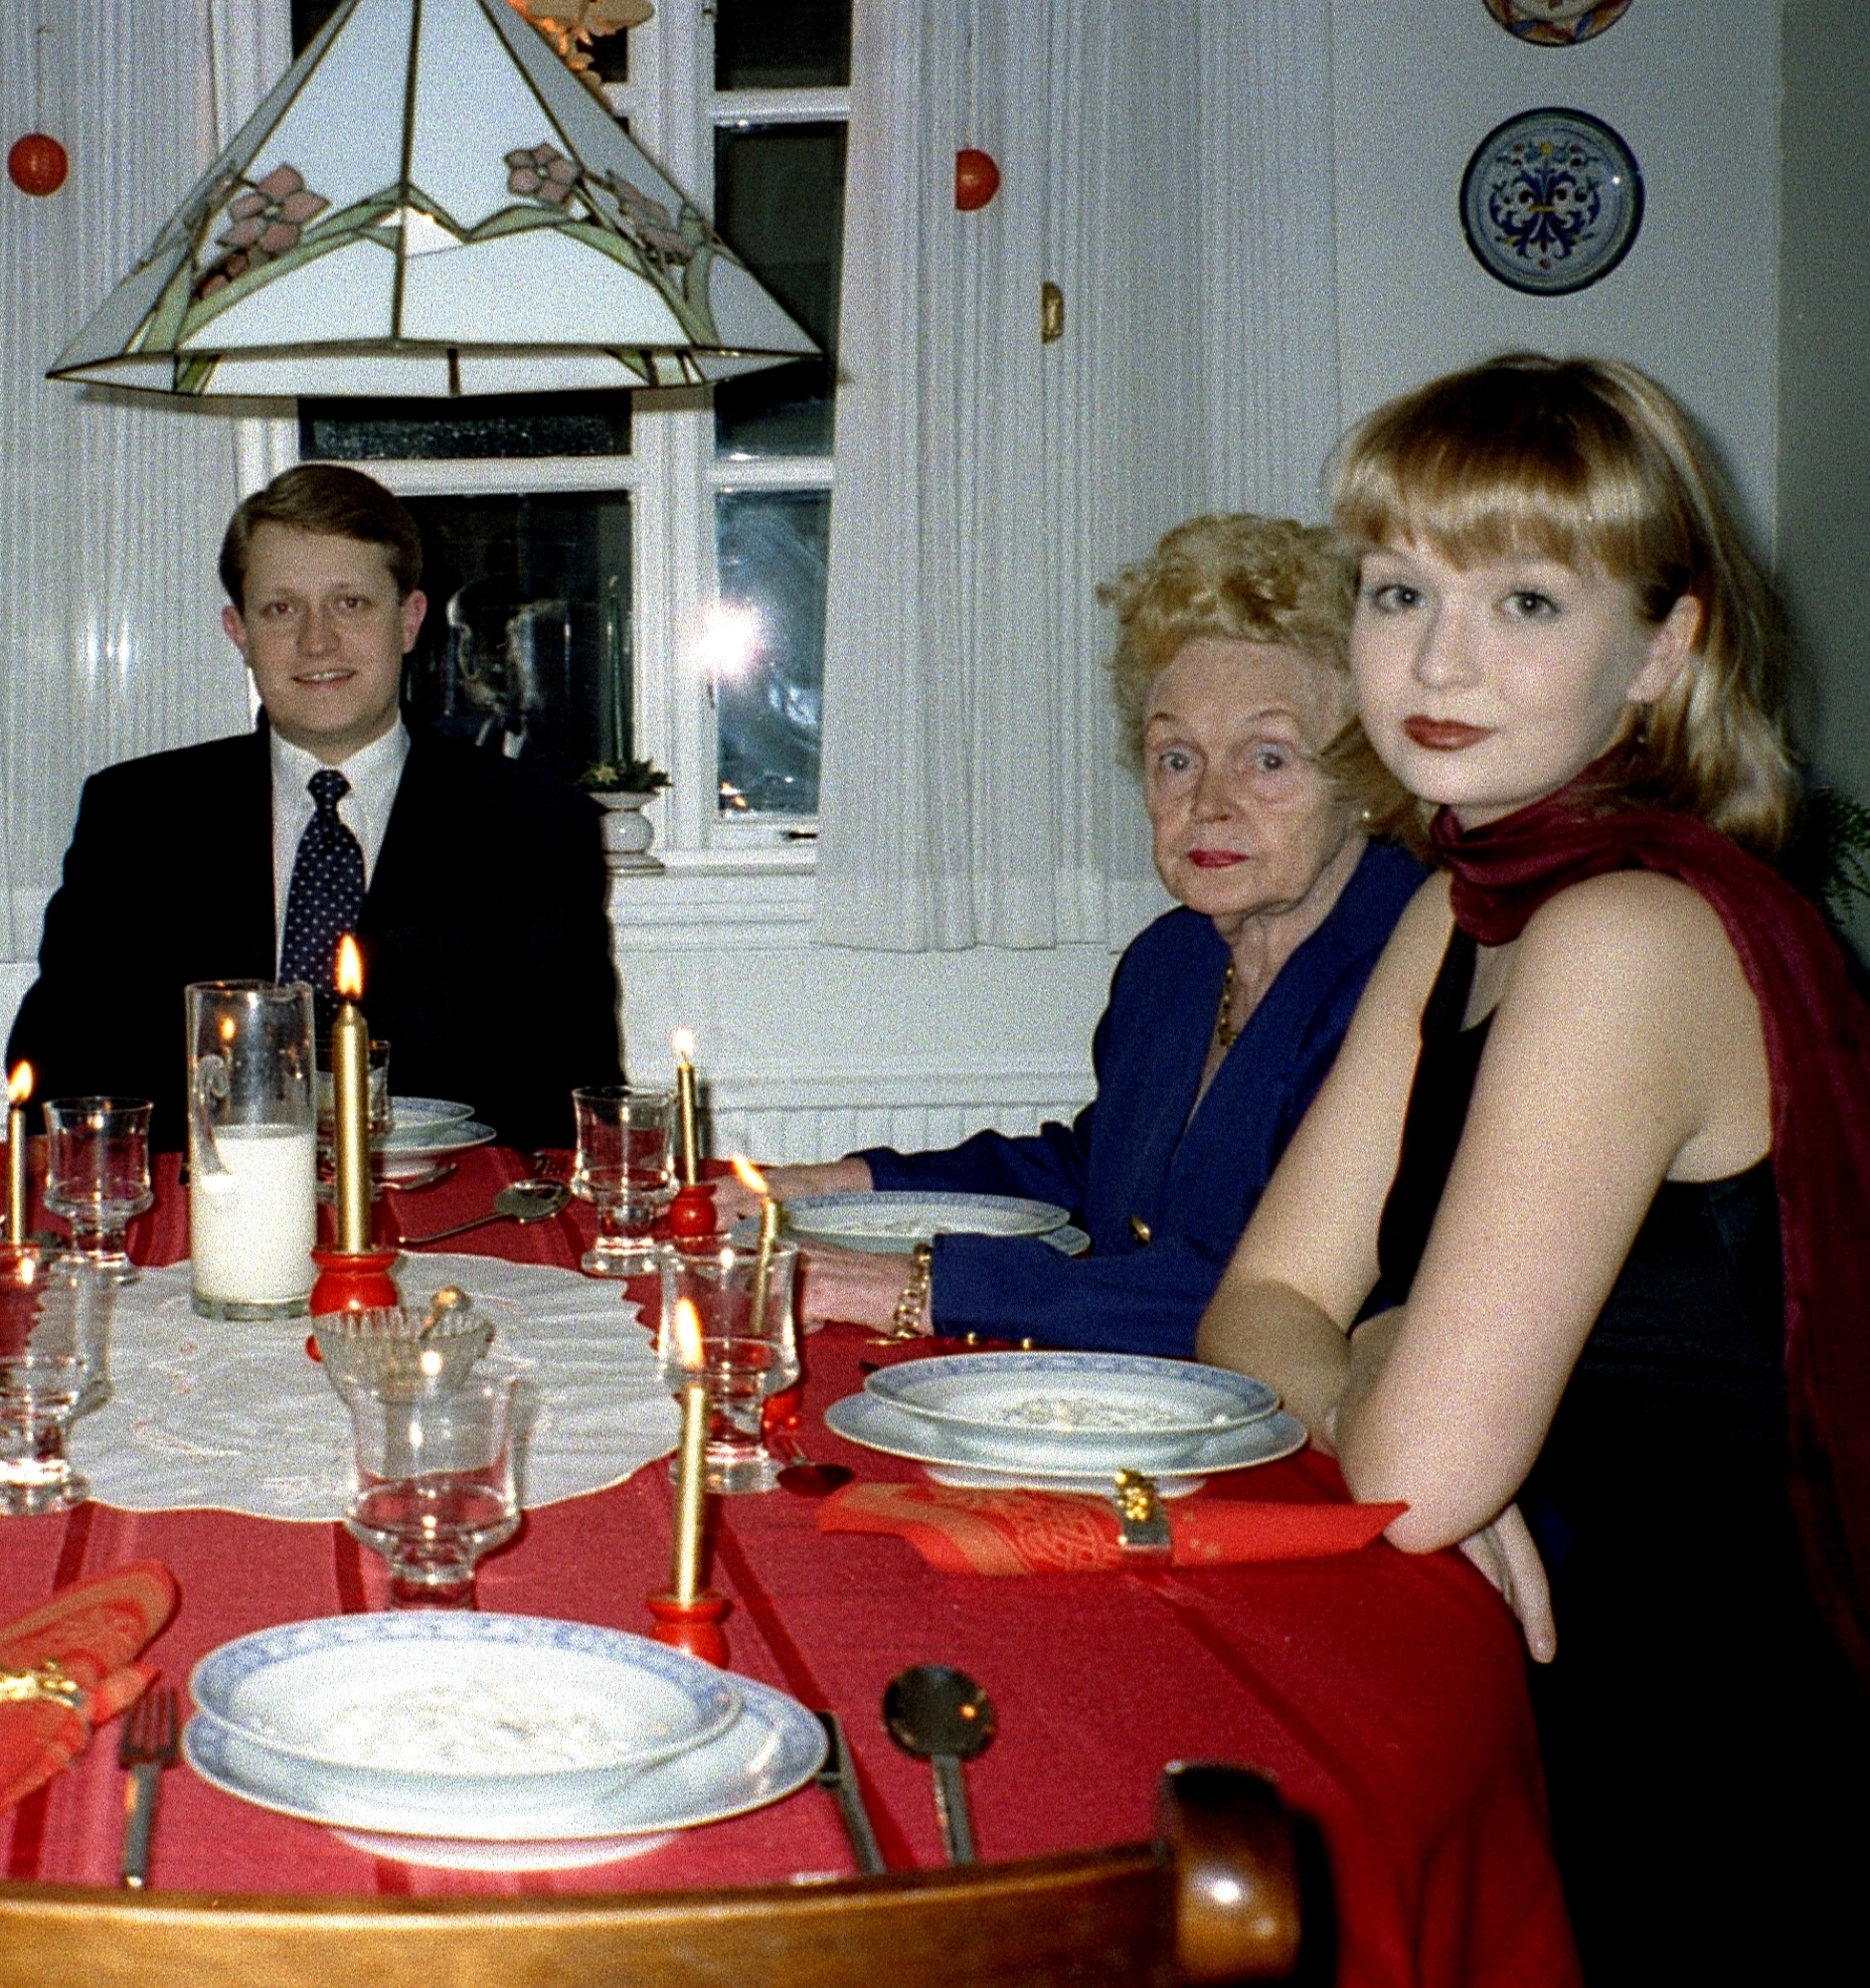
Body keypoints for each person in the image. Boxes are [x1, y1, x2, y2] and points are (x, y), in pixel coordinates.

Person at [1195, 356, 1869, 1980]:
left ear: (1666, 645)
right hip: (1531, 1672)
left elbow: (1411, 1463)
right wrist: (1386, 1387)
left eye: (1525, 603)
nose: (1440, 661)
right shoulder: (1460, 902)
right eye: (1398, 591)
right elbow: (1253, 1307)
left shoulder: (1626, 934)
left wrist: (1378, 1354)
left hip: (1712, 1777)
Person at [727, 516, 1425, 1355]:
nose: (1209, 803)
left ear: (1365, 777)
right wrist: (829, 1188)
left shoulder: (1407, 976)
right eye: (1177, 758)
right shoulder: (1174, 962)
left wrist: (915, 1287)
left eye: (1267, 759)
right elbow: (1097, 1177)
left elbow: (1273, 1297)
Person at [6, 462, 624, 1153]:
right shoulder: (136, 818)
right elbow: (62, 1080)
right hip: (203, 1209)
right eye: (281, 609)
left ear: (410, 620)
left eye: (350, 603)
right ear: (238, 631)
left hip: (446, 1213)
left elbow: (568, 1110)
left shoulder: (535, 826)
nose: (316, 641)